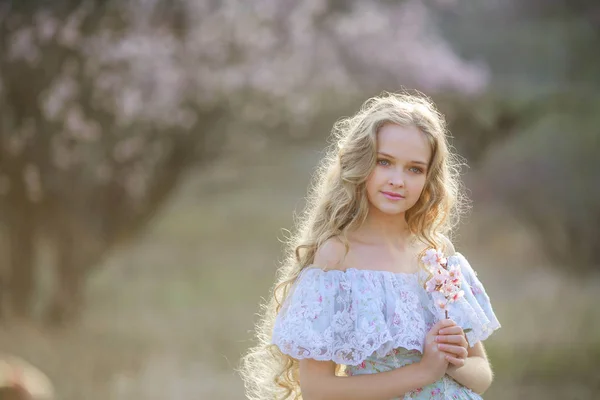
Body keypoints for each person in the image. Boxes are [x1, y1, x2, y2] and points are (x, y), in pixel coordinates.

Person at [240, 92, 501, 399]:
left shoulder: (436, 253)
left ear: (429, 178)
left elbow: (482, 376)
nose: (398, 180)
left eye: (414, 169)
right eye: (384, 162)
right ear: (361, 163)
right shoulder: (338, 257)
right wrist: (422, 371)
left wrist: (451, 361)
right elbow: (318, 389)